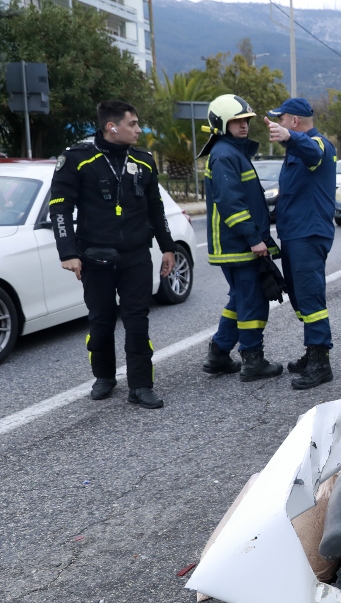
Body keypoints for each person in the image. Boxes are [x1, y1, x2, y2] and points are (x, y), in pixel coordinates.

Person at [49, 100, 175, 408]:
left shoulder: (144, 161)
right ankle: (104, 376)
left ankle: (141, 385)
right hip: (95, 255)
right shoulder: (77, 158)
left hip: (136, 255)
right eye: (132, 124)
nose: (138, 129)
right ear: (111, 126)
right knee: (102, 321)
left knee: (137, 321)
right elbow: (60, 208)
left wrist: (167, 246)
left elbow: (155, 208)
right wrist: (69, 252)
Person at [198, 94, 284, 380]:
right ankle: (252, 360)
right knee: (253, 301)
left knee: (240, 299)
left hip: (239, 243)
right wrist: (253, 238)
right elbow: (231, 204)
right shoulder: (225, 154)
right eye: (237, 121)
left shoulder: (231, 152)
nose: (244, 126)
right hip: (237, 245)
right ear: (222, 124)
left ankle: (219, 353)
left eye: (245, 120)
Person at [264, 98, 337, 390]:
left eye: (281, 120)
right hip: (294, 233)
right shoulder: (296, 151)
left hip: (308, 234)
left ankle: (322, 363)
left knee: (311, 297)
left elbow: (312, 150)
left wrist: (291, 137)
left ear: (294, 122)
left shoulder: (317, 145)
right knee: (299, 296)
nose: (278, 125)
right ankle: (312, 353)